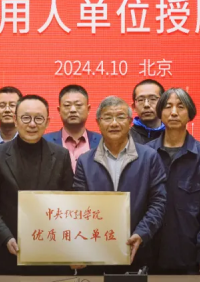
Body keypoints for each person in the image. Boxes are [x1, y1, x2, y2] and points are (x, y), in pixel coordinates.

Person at [0, 95, 74, 275]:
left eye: (38, 118)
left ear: (47, 122)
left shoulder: (61, 155)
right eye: (25, 118)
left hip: (51, 251)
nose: (32, 124)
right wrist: (5, 237)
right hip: (8, 252)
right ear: (15, 120)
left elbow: (70, 203)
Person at [73, 96, 167, 275]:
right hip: (95, 254)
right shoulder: (85, 161)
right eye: (108, 117)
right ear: (98, 123)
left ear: (130, 122)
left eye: (120, 117)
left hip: (138, 252)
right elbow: (78, 207)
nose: (114, 123)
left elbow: (158, 202)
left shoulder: (149, 157)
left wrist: (141, 233)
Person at [145, 88, 200, 275]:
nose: (173, 112)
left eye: (180, 107)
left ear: (190, 114)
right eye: (168, 106)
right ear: (160, 112)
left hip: (188, 254)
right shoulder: (146, 154)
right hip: (149, 252)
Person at [43, 84, 101, 172]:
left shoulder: (102, 142)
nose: (73, 110)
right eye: (67, 105)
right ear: (59, 110)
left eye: (78, 105)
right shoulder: (45, 142)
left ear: (88, 109)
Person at [129, 79, 165, 144]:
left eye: (153, 99)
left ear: (163, 104)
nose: (146, 105)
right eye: (141, 100)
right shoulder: (125, 139)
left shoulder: (174, 137)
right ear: (134, 107)